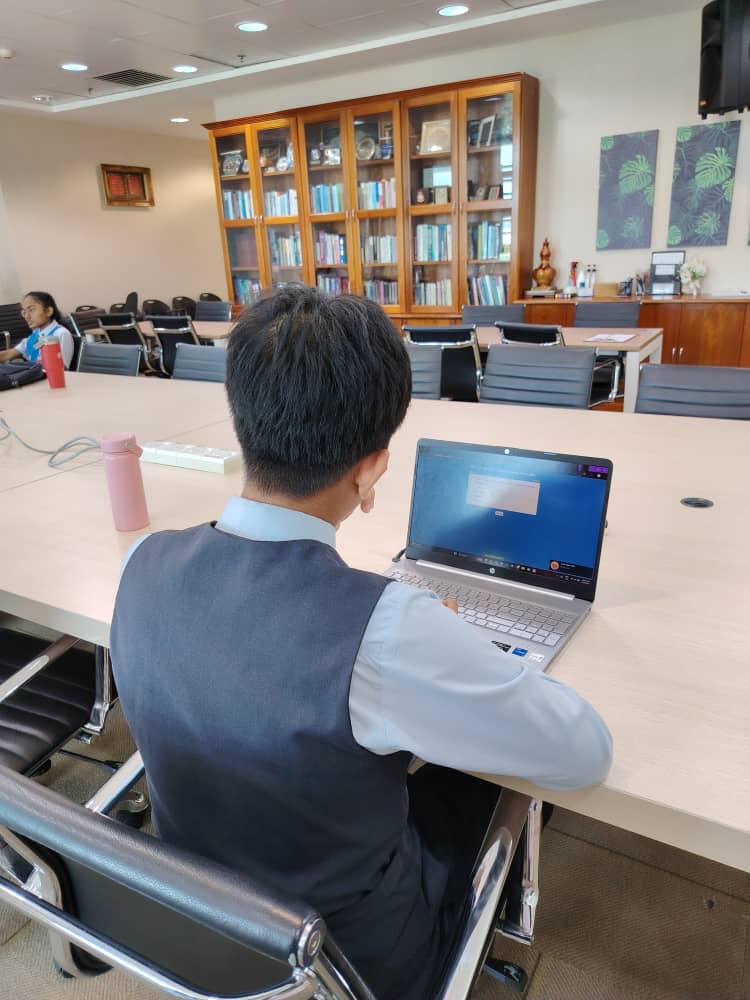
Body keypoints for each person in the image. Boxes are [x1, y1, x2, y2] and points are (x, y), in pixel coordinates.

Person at [110, 286, 612, 1000]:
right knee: (494, 767)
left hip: (205, 921)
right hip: (351, 964)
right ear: (371, 468)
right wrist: (453, 646)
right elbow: (585, 751)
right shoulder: (389, 627)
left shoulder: (141, 562)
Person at [0, 291, 74, 369]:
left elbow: (62, 368)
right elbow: (10, 353)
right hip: (34, 374)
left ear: (48, 311)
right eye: (24, 312)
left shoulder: (61, 334)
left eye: (31, 310)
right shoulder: (36, 334)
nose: (27, 316)